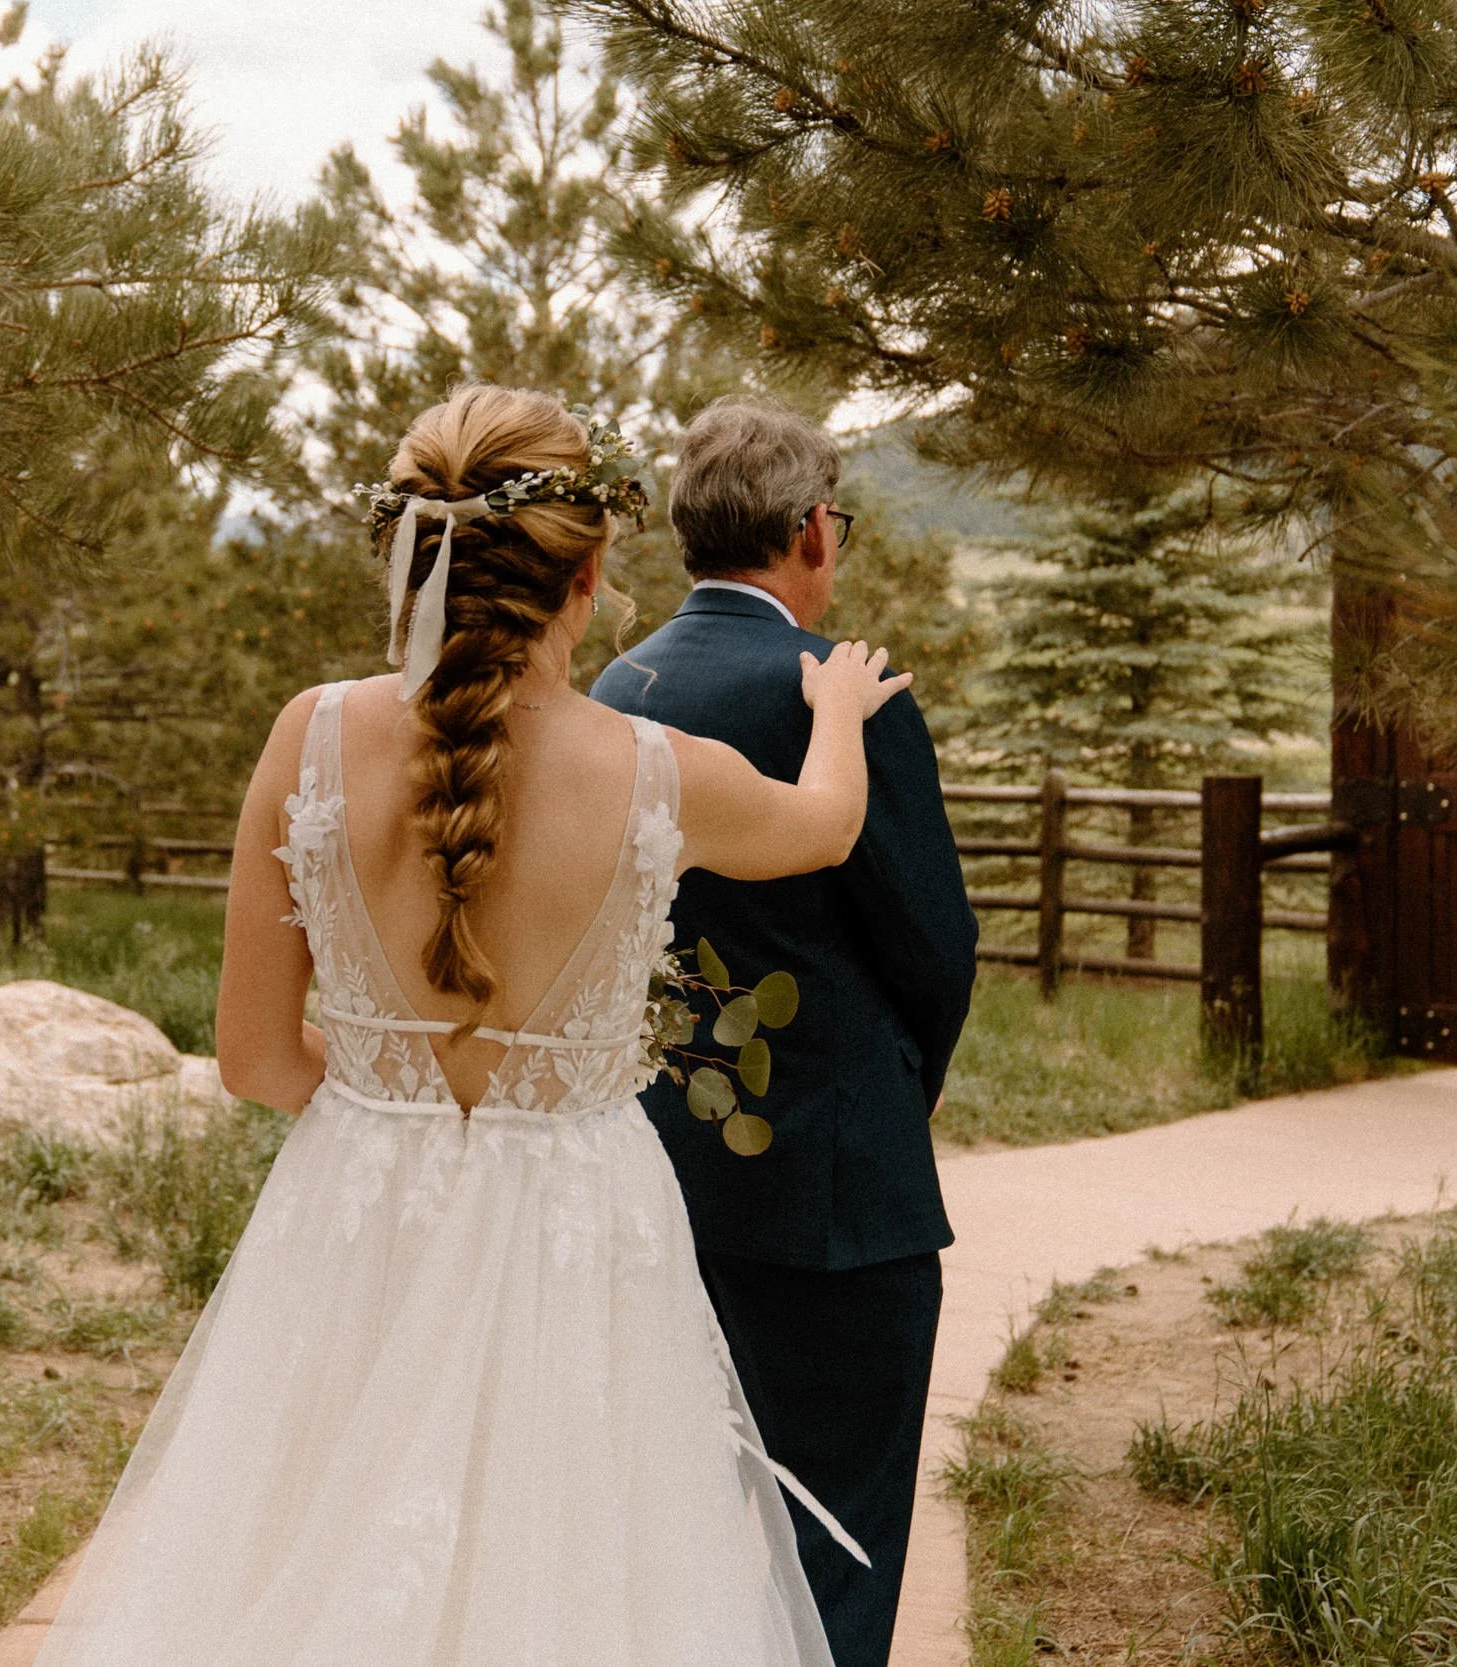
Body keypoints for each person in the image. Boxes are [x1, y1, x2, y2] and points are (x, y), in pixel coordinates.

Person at [32, 384, 912, 1667]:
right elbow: (825, 825)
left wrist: (391, 1100)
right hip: (578, 1229)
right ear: (588, 572)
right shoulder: (654, 770)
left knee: (312, 1547)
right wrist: (833, 711)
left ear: (407, 562)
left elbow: (256, 1059)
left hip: (358, 1217)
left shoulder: (308, 737)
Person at [591, 399, 977, 1667]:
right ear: (813, 527)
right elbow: (929, 933)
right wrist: (909, 1080)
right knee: (841, 1530)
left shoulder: (616, 688)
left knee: (693, 1512)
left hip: (664, 1164)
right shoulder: (835, 693)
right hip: (835, 1183)